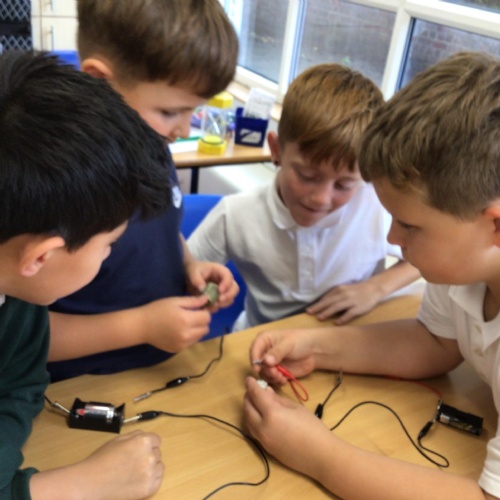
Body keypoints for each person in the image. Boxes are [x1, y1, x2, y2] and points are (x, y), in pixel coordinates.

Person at [243, 51, 500, 499]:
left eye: (410, 226)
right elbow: (436, 343)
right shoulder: (462, 270)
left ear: (494, 226)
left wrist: (319, 454)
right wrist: (314, 347)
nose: (393, 238)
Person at [0, 51, 171, 500]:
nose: (110, 254)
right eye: (108, 244)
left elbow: (21, 383)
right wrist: (74, 487)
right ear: (41, 257)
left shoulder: (19, 297)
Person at [47, 0, 240, 381]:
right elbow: (22, 335)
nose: (183, 130)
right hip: (81, 383)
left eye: (193, 111)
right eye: (170, 112)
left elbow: (161, 226)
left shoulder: (152, 147)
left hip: (163, 365)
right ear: (100, 82)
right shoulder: (57, 182)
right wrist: (141, 326)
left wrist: (189, 266)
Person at [188, 63, 420, 331]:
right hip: (261, 339)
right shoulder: (234, 215)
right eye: (308, 175)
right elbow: (182, 272)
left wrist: (375, 288)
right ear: (276, 150)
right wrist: (204, 290)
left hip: (346, 339)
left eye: (344, 184)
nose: (321, 199)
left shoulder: (378, 204)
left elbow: (424, 257)